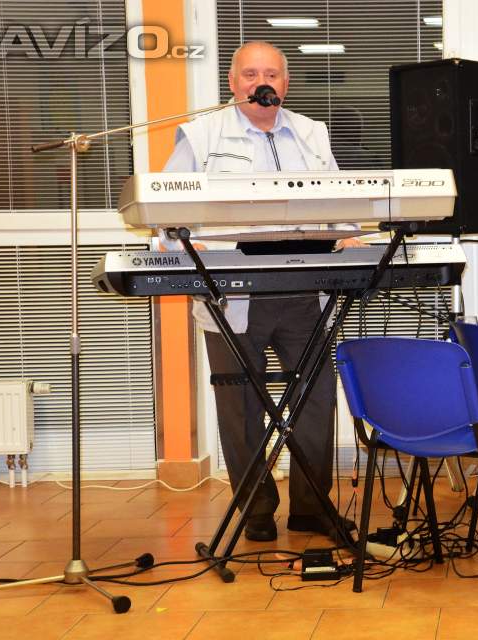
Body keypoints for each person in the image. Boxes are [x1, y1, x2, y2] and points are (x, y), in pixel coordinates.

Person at [162, 41, 362, 542]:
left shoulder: (313, 134)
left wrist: (349, 234)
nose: (261, 82)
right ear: (233, 83)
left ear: (285, 84)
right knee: (241, 407)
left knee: (316, 398)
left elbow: (340, 201)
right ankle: (255, 511)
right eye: (250, 74)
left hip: (305, 291)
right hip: (230, 296)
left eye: (271, 74)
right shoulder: (202, 135)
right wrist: (186, 244)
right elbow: (163, 208)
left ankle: (312, 508)